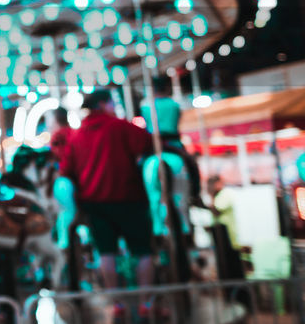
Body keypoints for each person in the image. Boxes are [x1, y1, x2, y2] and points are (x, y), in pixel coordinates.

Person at [59, 89, 156, 300]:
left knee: (106, 253)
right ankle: (146, 303)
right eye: (112, 103)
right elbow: (148, 144)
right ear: (103, 104)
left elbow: (66, 170)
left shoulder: (77, 134)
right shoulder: (119, 126)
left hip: (94, 204)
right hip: (129, 199)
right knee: (142, 251)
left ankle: (116, 304)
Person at [140, 75, 202, 205]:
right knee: (191, 163)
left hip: (154, 144)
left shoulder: (145, 106)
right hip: (173, 142)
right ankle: (196, 194)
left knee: (139, 166)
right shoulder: (174, 104)